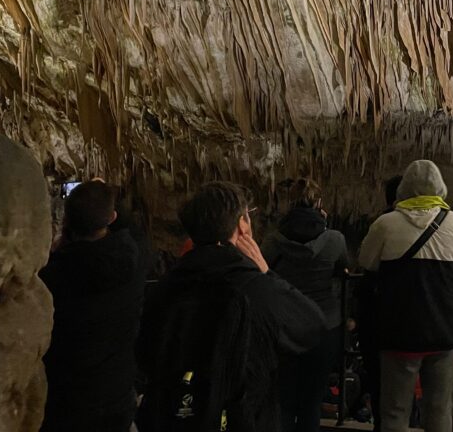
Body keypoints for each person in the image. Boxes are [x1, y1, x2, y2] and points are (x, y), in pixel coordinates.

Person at [136, 181, 325, 432]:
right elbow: (312, 325)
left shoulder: (166, 287)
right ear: (241, 226)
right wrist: (267, 273)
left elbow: (144, 352)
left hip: (175, 416)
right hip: (243, 417)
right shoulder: (255, 286)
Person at [357, 161, 453, 432]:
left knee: (395, 413)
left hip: (398, 333)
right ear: (440, 188)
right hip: (442, 332)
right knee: (439, 412)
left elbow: (366, 260)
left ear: (404, 189)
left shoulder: (385, 224)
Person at [39, 180, 150, 432]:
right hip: (117, 395)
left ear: (66, 220)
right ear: (111, 217)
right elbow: (135, 231)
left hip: (67, 401)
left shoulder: (53, 277)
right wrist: (109, 198)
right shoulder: (134, 260)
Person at [262, 179, 350, 432]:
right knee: (312, 400)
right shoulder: (334, 239)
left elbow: (263, 272)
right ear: (319, 204)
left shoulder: (273, 242)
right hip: (324, 324)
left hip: (284, 325)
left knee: (284, 398)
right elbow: (341, 267)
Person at [355, 175, 404, 431]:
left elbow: (365, 261)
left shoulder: (382, 223)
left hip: (377, 316)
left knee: (378, 379)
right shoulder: (433, 224)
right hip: (407, 319)